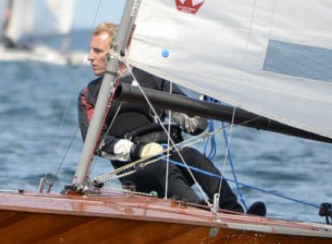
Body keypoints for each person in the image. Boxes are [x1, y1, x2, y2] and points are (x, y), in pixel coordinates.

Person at [77, 22, 266, 216]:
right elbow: (96, 142)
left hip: (166, 153)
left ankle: (235, 214)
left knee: (195, 158)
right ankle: (201, 213)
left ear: (117, 50)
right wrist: (138, 150)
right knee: (163, 167)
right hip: (133, 168)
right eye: (91, 50)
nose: (90, 56)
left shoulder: (152, 79)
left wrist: (205, 106)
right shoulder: (91, 94)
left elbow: (192, 125)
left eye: (97, 51)